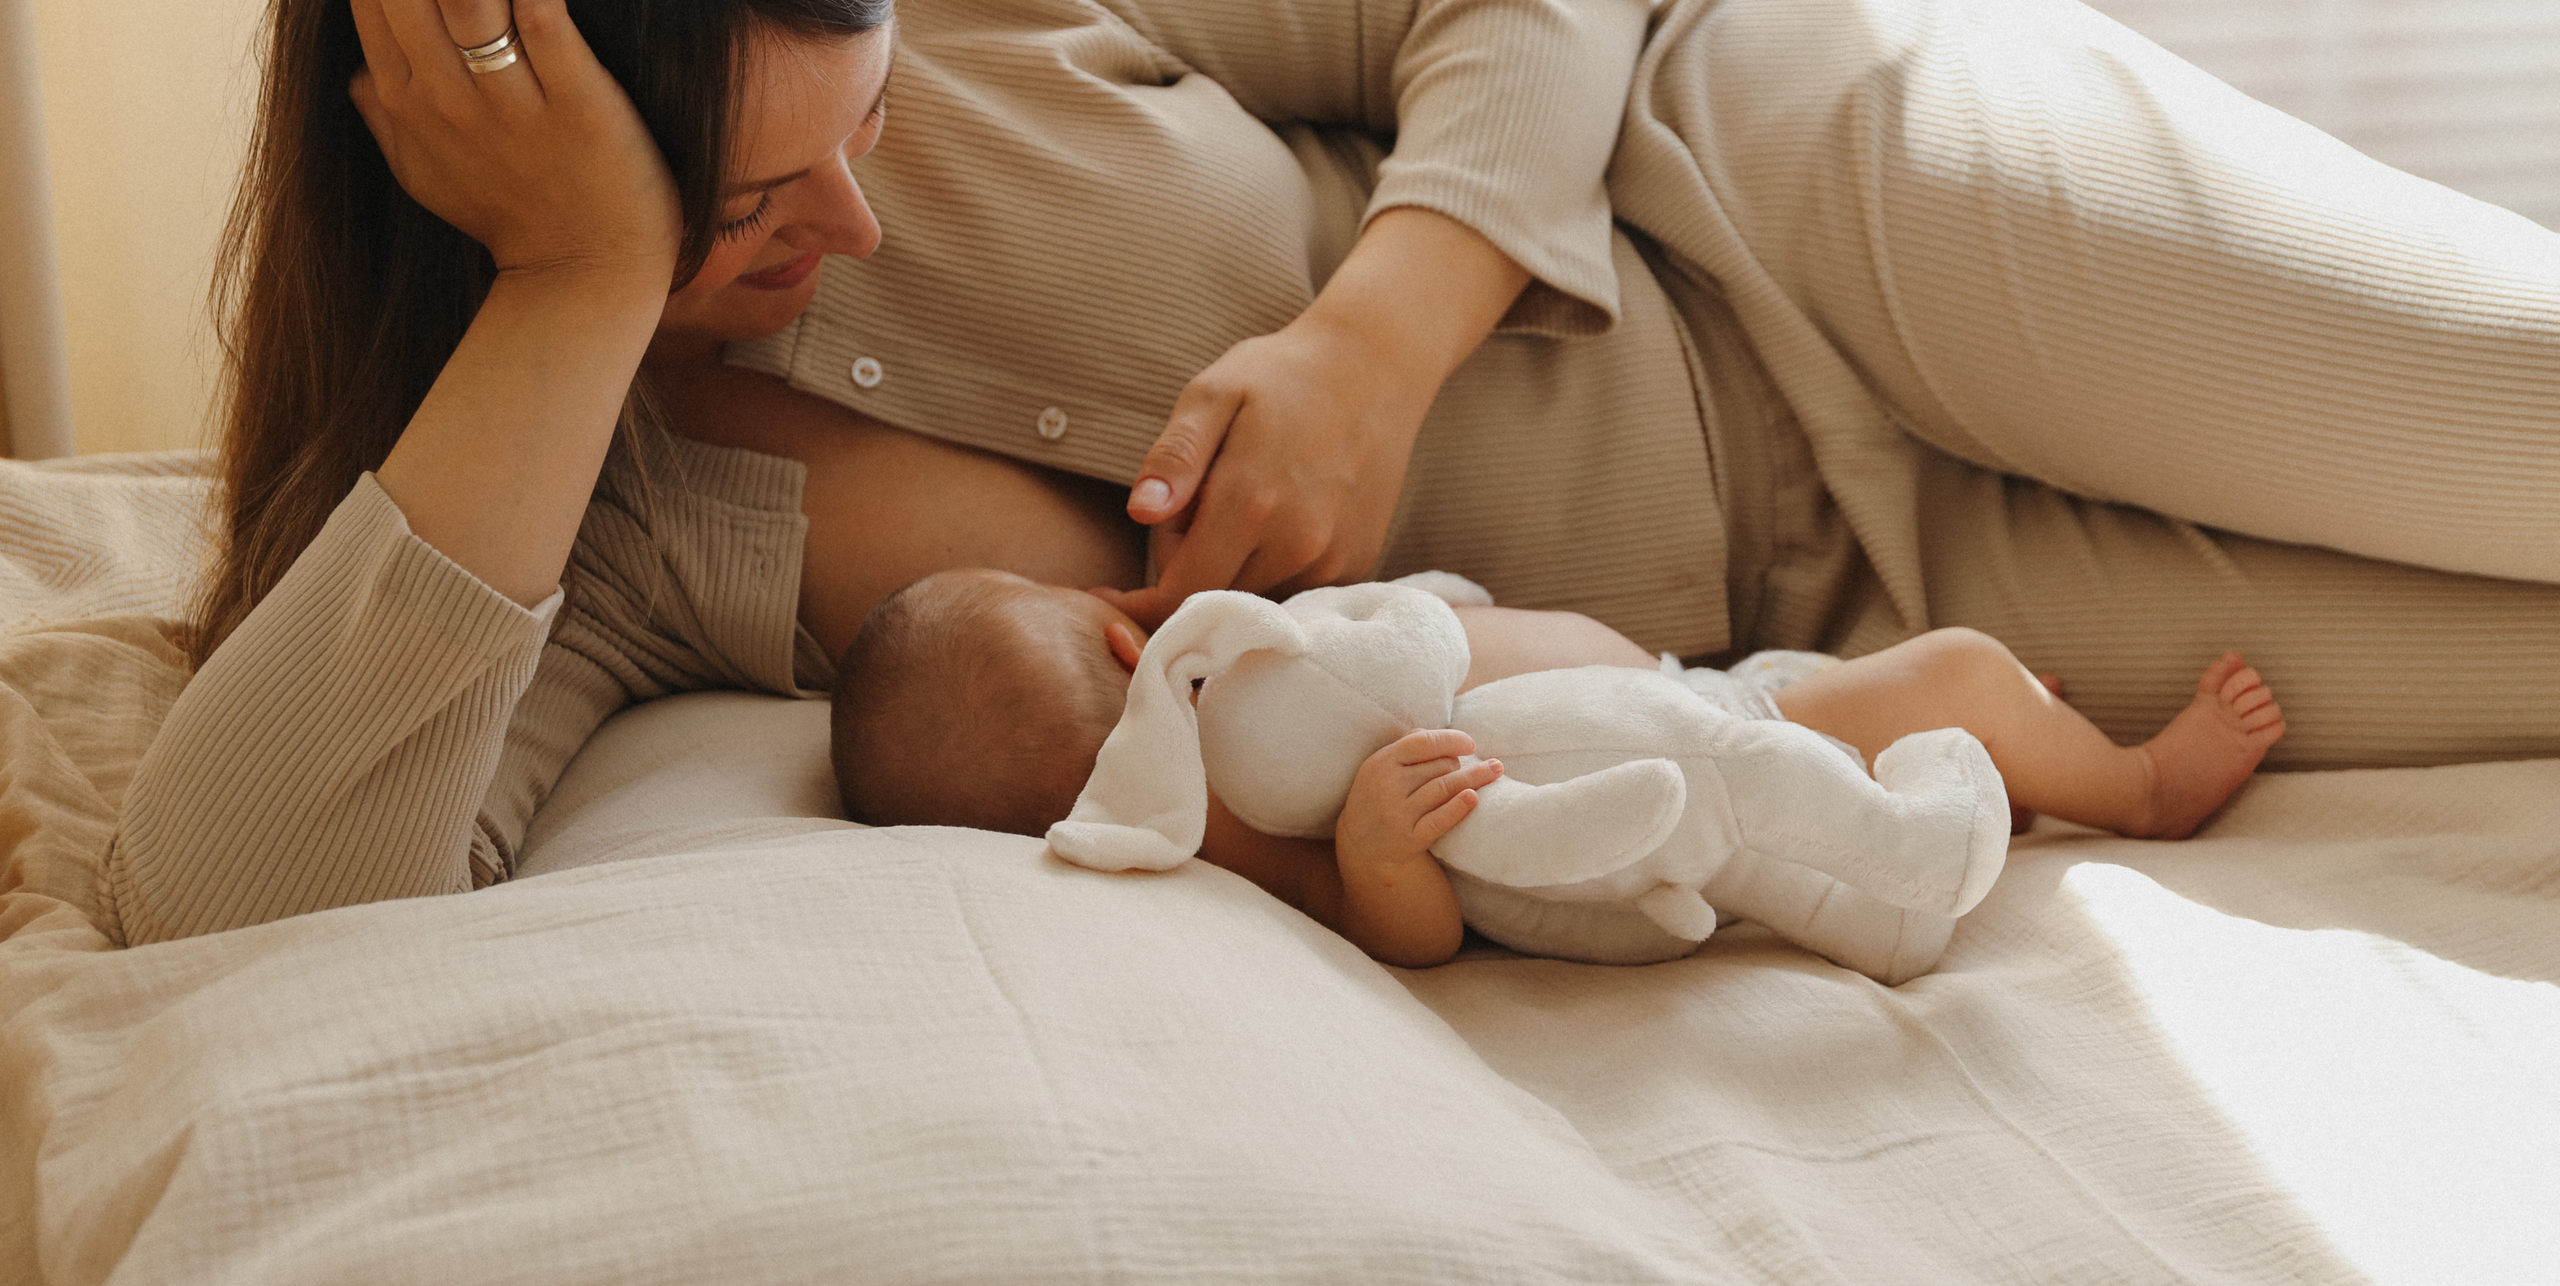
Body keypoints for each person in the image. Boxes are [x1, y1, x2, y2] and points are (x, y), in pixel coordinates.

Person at [102, 0, 2560, 949]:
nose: (855, 217)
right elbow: (230, 899)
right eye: (755, 209)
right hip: (1845, 627)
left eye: (867, 129)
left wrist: (1376, 336)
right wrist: (584, 287)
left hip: (1806, 205)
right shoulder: (591, 517)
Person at [828, 568, 2284, 967]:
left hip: (1706, 698)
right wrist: (1387, 861)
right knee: (1961, 672)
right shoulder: (1244, 821)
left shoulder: (1258, 670)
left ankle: (2026, 753)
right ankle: (2145, 787)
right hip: (1713, 749)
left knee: (1945, 694)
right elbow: (1404, 930)